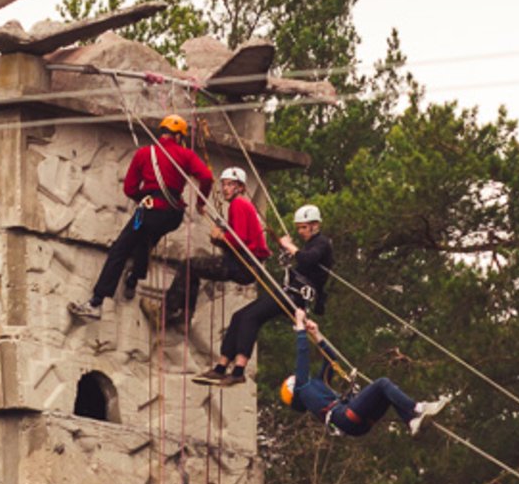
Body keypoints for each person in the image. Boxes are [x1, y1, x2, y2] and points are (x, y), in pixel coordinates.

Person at [69, 114, 213, 321]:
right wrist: (201, 203)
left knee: (120, 249)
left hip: (151, 210)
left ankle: (97, 302)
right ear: (180, 136)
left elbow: (129, 189)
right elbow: (207, 177)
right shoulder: (186, 155)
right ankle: (134, 278)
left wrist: (144, 197)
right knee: (146, 240)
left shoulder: (145, 153)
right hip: (173, 214)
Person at [192, 202, 333, 386]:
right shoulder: (311, 244)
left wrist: (289, 246)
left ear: (315, 225)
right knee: (239, 316)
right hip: (288, 292)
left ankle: (239, 370)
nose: (301, 232)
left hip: (295, 296)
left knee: (251, 317)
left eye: (304, 228)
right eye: (298, 228)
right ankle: (221, 367)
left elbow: (307, 259)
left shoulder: (323, 243)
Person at [145, 167, 267, 329]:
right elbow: (240, 240)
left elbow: (240, 239)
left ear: (241, 188)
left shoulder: (238, 204)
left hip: (240, 264)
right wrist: (221, 239)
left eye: (230, 185)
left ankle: (165, 313)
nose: (225, 189)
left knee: (188, 265)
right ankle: (185, 316)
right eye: (224, 185)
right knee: (193, 269)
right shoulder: (244, 206)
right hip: (244, 264)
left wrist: (222, 236)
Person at [280, 320, 448, 436]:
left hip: (355, 424)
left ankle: (411, 421)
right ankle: (418, 408)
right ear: (293, 387)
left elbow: (331, 359)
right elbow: (302, 355)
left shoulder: (316, 385)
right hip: (344, 416)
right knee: (382, 384)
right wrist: (300, 328)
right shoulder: (302, 390)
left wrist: (316, 334)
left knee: (386, 393)